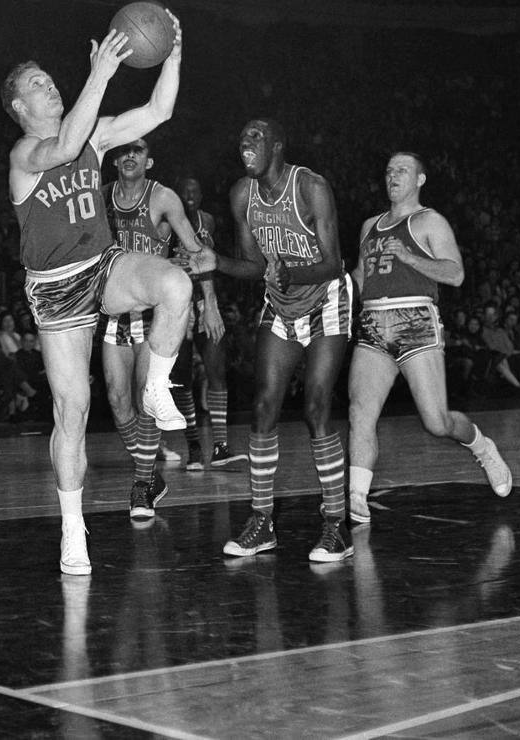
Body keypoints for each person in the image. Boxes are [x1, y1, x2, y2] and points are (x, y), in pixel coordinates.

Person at [1, 19, 211, 577]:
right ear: (20, 107)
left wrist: (172, 55)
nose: (51, 87)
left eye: (51, 80)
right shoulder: (25, 153)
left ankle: (158, 384)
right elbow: (67, 142)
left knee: (176, 283)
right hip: (54, 291)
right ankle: (73, 527)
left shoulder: (93, 136)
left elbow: (158, 112)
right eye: (39, 85)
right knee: (73, 411)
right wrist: (101, 72)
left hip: (102, 266)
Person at [213, 118, 353, 563]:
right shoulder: (242, 195)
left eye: (254, 136)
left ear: (276, 145)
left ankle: (336, 525)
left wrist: (291, 273)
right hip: (280, 304)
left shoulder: (311, 187)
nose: (244, 143)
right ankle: (262, 522)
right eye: (242, 137)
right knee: (263, 405)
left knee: (315, 405)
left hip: (326, 299)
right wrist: (210, 259)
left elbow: (333, 263)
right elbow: (254, 266)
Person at [346, 152, 512, 524]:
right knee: (360, 413)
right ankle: (356, 496)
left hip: (415, 319)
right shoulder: (369, 225)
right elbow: (361, 275)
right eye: (388, 170)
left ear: (420, 179)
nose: (393, 176)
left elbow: (455, 274)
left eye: (402, 170)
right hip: (372, 320)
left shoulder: (429, 221)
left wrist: (409, 256)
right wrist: (334, 291)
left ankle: (482, 446)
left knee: (436, 422)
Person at [96, 139, 215, 523]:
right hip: (115, 306)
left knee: (147, 396)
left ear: (150, 161)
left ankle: (142, 483)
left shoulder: (163, 197)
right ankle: (151, 473)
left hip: (153, 311)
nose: (129, 156)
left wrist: (207, 302)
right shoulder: (99, 198)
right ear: (115, 160)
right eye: (123, 151)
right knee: (117, 400)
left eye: (138, 151)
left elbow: (196, 250)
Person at [175, 174, 243, 468]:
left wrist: (212, 304)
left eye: (195, 189)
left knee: (216, 371)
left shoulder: (209, 222)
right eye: (185, 189)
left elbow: (210, 264)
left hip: (206, 300)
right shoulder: (167, 221)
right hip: (178, 302)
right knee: (183, 379)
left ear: (201, 195)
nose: (190, 192)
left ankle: (220, 446)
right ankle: (193, 447)